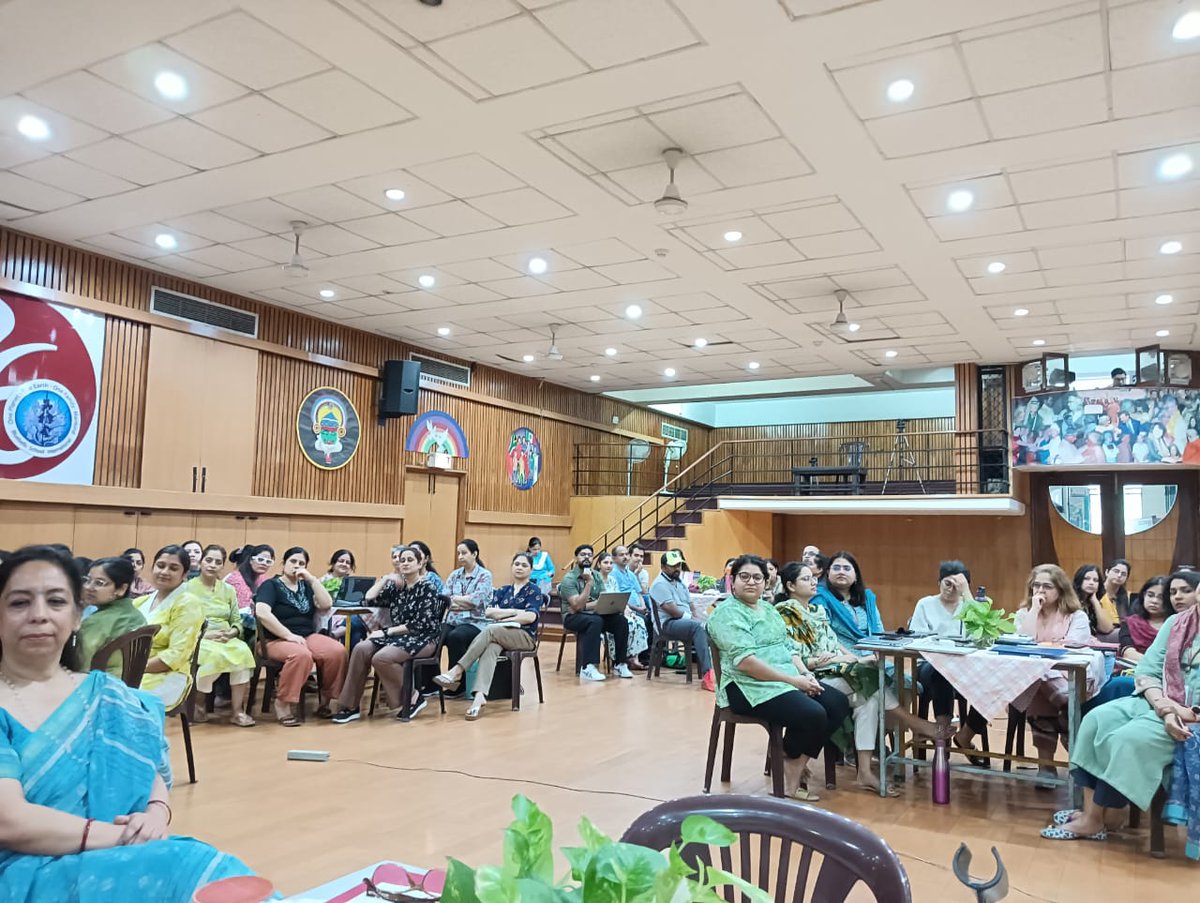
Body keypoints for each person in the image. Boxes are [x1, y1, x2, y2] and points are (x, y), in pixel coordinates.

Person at [0, 545, 259, 899]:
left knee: (211, 872)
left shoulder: (106, 694)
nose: (39, 615)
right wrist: (122, 836)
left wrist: (154, 814)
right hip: (22, 869)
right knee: (185, 866)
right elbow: (9, 821)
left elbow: (145, 766)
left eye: (57, 601)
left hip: (122, 851)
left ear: (78, 616)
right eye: (19, 603)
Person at [1042, 569, 1200, 841]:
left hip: (1191, 718)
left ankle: (1108, 814)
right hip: (1159, 702)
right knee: (1095, 720)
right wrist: (1163, 705)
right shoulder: (1177, 623)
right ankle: (1094, 814)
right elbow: (1148, 670)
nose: (1179, 597)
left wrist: (1186, 713)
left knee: (1126, 739)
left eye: (1184, 590)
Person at [779, 560, 938, 792]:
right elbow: (790, 653)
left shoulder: (817, 611)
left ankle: (865, 772)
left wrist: (850, 658)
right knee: (870, 681)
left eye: (813, 578)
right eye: (806, 579)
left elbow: (833, 643)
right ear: (791, 586)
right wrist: (832, 660)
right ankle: (916, 724)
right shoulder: (784, 612)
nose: (813, 582)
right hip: (809, 676)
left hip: (836, 669)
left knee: (869, 698)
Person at [707, 554, 852, 801]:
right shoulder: (726, 614)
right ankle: (790, 772)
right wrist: (794, 682)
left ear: (766, 582)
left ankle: (792, 762)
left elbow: (789, 648)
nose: (751, 582)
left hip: (784, 679)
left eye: (757, 577)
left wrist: (805, 674)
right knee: (813, 713)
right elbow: (746, 663)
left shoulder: (768, 609)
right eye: (744, 577)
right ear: (732, 580)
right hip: (747, 687)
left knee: (837, 703)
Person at [332, 545, 441, 723]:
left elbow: (419, 624)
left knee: (381, 657)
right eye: (402, 560)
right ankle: (350, 706)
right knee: (361, 649)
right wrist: (385, 580)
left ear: (420, 563)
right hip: (397, 636)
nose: (404, 563)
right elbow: (368, 598)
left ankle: (413, 697)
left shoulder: (427, 587)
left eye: (410, 560)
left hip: (423, 637)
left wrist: (384, 632)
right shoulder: (397, 587)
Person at [1012, 564, 1100, 784]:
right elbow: (1023, 644)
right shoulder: (1024, 613)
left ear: (1060, 589)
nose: (1040, 591)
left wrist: (1043, 650)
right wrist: (1033, 610)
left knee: (1039, 676)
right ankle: (1068, 712)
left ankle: (1047, 767)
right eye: (1036, 586)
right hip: (1040, 680)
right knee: (1037, 677)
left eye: (1047, 586)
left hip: (1070, 678)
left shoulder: (1075, 615)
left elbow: (1074, 645)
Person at [434, 552, 542, 721]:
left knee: (490, 630)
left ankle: (458, 670)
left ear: (531, 569)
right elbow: (490, 612)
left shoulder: (534, 590)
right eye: (516, 564)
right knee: (491, 647)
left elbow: (530, 617)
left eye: (524, 565)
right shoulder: (504, 590)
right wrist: (515, 612)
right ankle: (479, 698)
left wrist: (506, 615)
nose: (519, 568)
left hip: (525, 636)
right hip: (502, 633)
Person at [254, 546, 347, 726]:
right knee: (301, 655)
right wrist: (288, 635)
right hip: (274, 639)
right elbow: (262, 612)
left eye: (301, 563)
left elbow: (326, 604)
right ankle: (283, 703)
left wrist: (312, 579)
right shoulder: (271, 585)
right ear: (284, 564)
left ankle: (325, 702)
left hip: (306, 636)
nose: (297, 566)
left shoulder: (306, 586)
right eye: (293, 562)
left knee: (337, 651)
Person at [908, 560, 989, 763]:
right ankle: (942, 735)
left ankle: (965, 735)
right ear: (938, 583)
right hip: (929, 665)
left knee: (993, 683)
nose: (952, 589)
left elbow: (983, 638)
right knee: (942, 672)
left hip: (966, 667)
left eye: (958, 585)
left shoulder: (976, 605)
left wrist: (968, 596)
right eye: (947, 583)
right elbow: (916, 639)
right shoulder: (925, 604)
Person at [186, 545, 256, 727]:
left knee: (243, 653)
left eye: (218, 562)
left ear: (222, 566)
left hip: (226, 637)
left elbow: (236, 619)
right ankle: (199, 706)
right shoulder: (187, 589)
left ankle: (237, 711)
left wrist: (232, 632)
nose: (212, 565)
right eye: (209, 560)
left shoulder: (228, 590)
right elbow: (183, 622)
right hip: (200, 638)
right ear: (201, 562)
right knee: (214, 656)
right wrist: (206, 635)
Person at [135, 546, 204, 711]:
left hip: (169, 675)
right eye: (160, 565)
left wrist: (134, 670)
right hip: (134, 670)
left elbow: (176, 656)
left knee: (120, 696)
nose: (165, 572)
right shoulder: (140, 602)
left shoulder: (188, 603)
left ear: (185, 574)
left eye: (173, 568)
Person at [558, 544, 631, 681]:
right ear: (576, 558)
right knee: (595, 621)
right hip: (571, 617)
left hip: (592, 613)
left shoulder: (597, 575)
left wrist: (587, 606)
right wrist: (589, 583)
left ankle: (620, 664)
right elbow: (577, 606)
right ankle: (588, 667)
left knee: (620, 621)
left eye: (589, 555)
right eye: (583, 554)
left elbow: (602, 600)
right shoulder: (569, 579)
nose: (586, 557)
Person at [648, 550, 714, 691]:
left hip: (684, 621)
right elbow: (672, 610)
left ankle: (720, 671)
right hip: (668, 624)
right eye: (673, 566)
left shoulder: (679, 582)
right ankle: (707, 675)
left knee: (711, 627)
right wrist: (694, 621)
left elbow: (691, 605)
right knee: (697, 627)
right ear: (663, 567)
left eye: (679, 565)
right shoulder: (659, 584)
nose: (677, 568)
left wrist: (698, 619)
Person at [77, 557, 147, 679]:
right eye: (88, 580)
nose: (88, 587)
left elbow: (81, 666)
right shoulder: (137, 616)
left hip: (98, 688)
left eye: (99, 583)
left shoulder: (97, 622)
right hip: (126, 688)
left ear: (121, 589)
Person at [439, 539, 495, 691]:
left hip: (476, 622)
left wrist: (455, 600)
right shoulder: (455, 575)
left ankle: (456, 685)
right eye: (458, 553)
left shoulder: (485, 575)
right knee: (436, 635)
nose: (460, 557)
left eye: (464, 553)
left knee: (456, 637)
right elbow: (445, 599)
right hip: (452, 620)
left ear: (474, 554)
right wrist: (464, 601)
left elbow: (476, 601)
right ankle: (432, 683)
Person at [813, 551, 883, 649]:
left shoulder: (866, 598)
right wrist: (854, 658)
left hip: (872, 651)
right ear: (828, 573)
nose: (841, 572)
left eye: (847, 568)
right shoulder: (820, 598)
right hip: (840, 655)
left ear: (856, 575)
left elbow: (878, 629)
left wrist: (879, 652)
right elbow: (824, 636)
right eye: (836, 568)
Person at [608, 546, 649, 671]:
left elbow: (639, 593)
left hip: (637, 607)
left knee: (651, 619)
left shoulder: (631, 574)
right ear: (614, 558)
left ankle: (642, 656)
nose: (625, 557)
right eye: (622, 555)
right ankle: (632, 657)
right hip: (624, 608)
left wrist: (643, 606)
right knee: (643, 620)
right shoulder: (613, 573)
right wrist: (637, 608)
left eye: (626, 554)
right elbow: (619, 597)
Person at [1118, 576, 1173, 662]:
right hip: (1134, 669)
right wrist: (1153, 665)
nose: (1154, 601)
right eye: (1150, 595)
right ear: (1143, 596)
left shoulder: (1177, 624)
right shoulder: (1130, 623)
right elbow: (1128, 653)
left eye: (1161, 597)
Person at [225, 544, 274, 636]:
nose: (264, 563)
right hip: (237, 625)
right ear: (251, 560)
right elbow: (245, 611)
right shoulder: (235, 578)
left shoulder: (264, 579)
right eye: (260, 560)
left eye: (268, 561)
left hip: (259, 623)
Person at [1074, 564, 1117, 642]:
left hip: (1094, 640)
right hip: (1075, 640)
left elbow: (1107, 629)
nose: (1091, 583)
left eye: (1095, 580)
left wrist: (1094, 600)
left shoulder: (1093, 602)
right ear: (1079, 580)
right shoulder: (1071, 600)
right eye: (1087, 579)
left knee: (1118, 633)